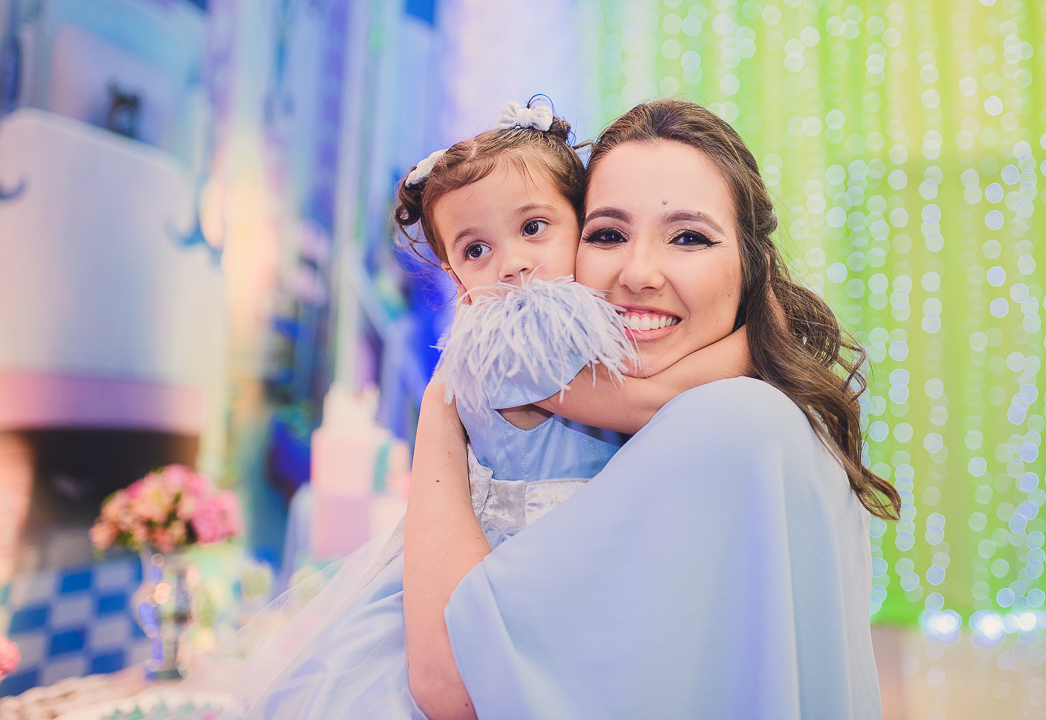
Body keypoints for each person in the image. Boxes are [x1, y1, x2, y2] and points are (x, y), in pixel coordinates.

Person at [187, 99, 748, 719]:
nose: (511, 264)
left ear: (579, 219)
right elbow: (655, 401)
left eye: (534, 227)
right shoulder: (508, 346)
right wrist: (757, 344)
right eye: (476, 250)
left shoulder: (587, 326)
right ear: (456, 278)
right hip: (505, 573)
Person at [405, 98, 901, 720]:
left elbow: (453, 680)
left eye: (689, 237)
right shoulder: (763, 416)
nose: (638, 273)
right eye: (608, 234)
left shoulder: (733, 425)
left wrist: (438, 419)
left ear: (751, 266)